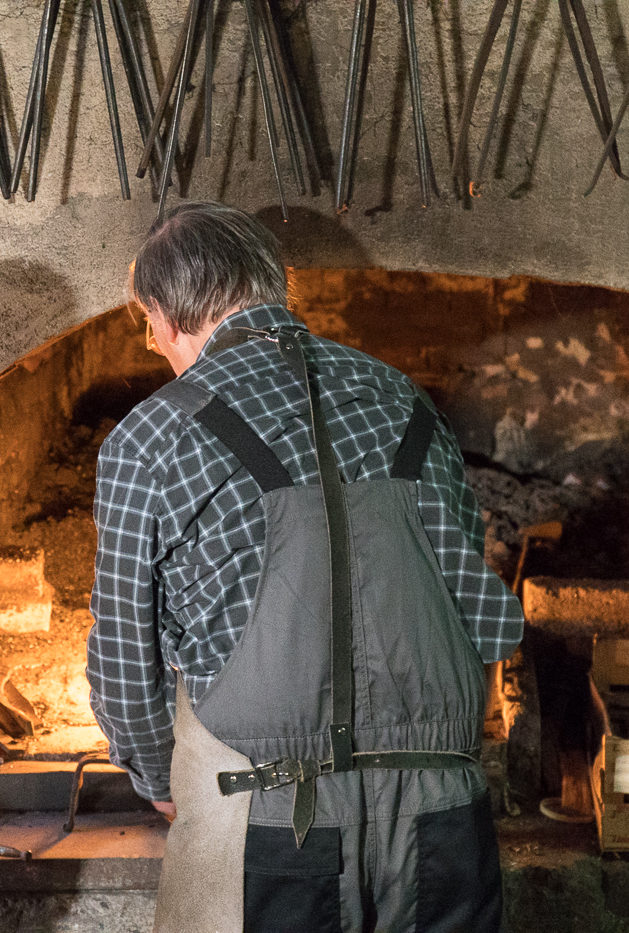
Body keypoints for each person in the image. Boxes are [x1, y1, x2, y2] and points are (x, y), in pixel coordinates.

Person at [87, 203, 524, 933]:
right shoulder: (407, 402)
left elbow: (126, 666)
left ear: (161, 318)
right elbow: (476, 606)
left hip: (269, 820)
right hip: (442, 815)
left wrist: (155, 774)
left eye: (151, 328)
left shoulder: (150, 436)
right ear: (275, 285)